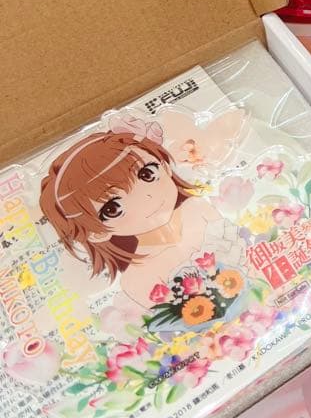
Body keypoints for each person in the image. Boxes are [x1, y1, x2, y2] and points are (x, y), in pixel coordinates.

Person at [39, 117, 229, 309]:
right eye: (112, 208)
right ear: (96, 233)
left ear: (164, 165)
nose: (147, 197)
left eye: (147, 174)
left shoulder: (197, 208)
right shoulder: (137, 277)